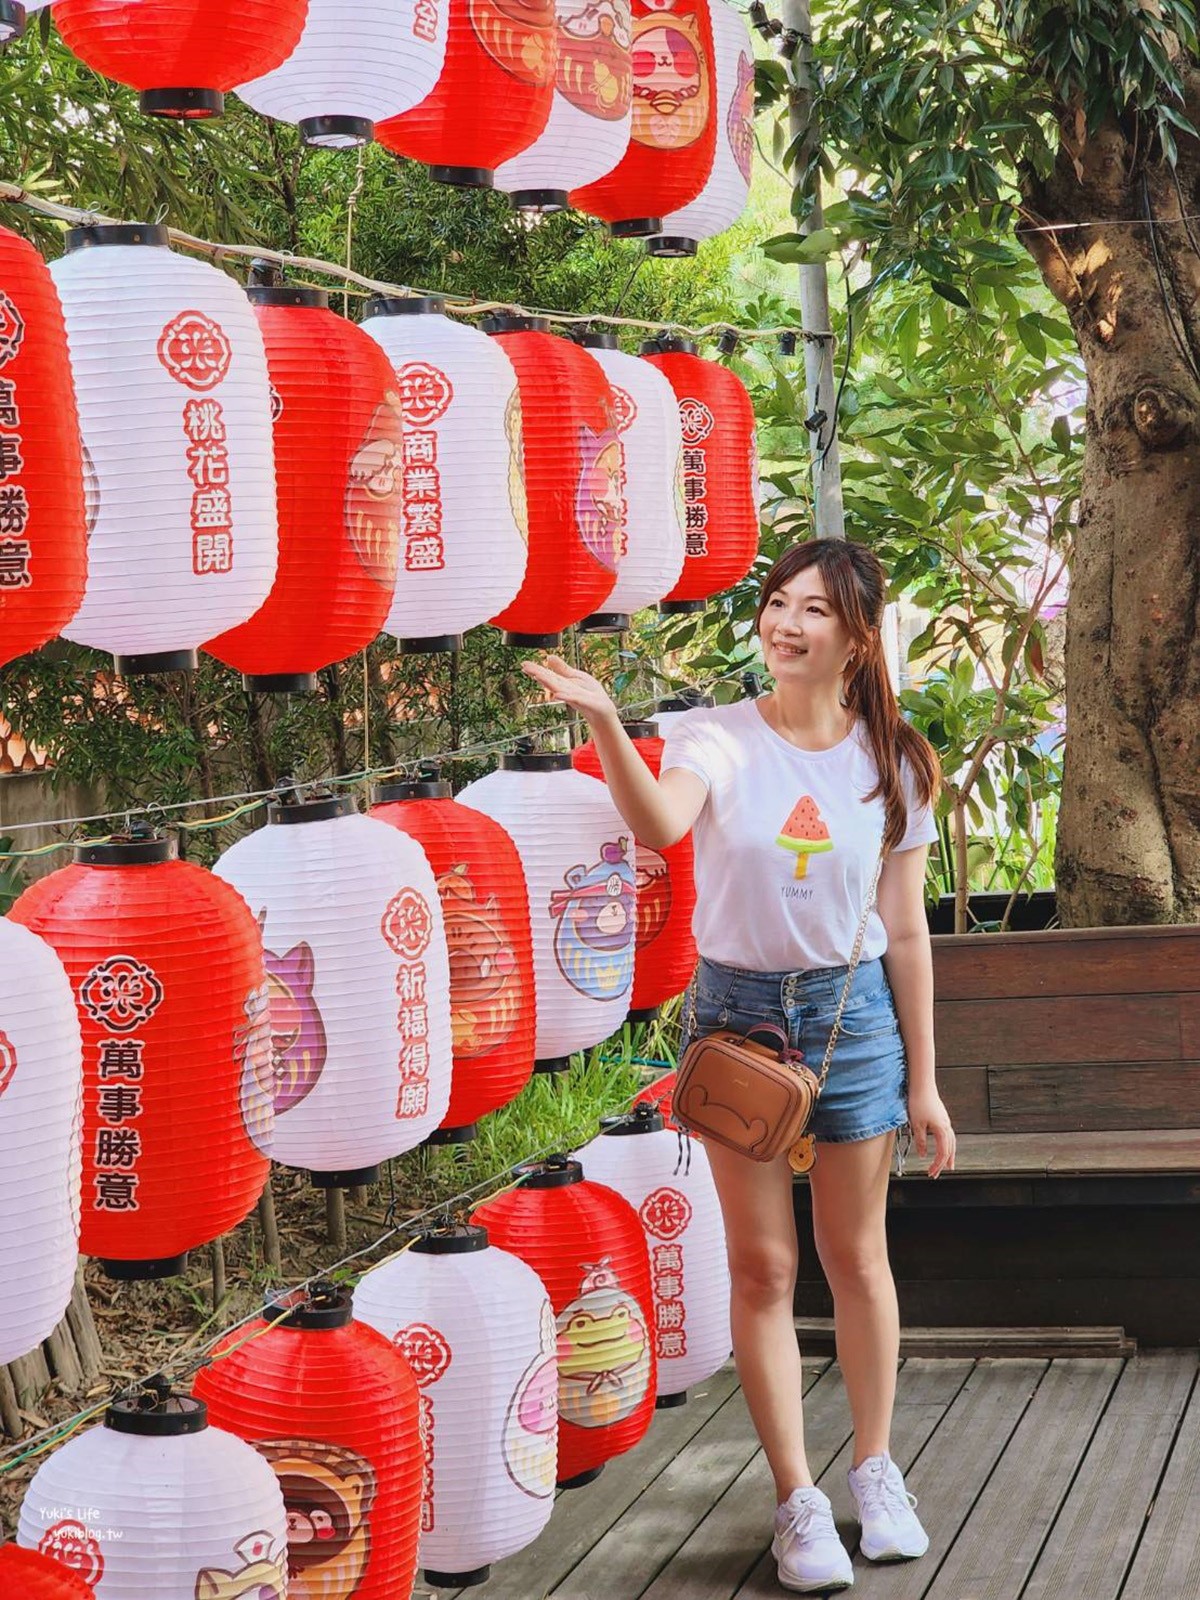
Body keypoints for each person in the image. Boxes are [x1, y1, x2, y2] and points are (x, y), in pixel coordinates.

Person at [523, 539, 957, 1594]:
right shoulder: (713, 737)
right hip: (740, 1022)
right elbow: (660, 820)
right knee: (763, 1268)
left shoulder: (893, 759)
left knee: (856, 1260)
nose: (784, 621)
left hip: (854, 1017)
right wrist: (606, 725)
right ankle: (797, 1499)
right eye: (776, 602)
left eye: (813, 608)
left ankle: (874, 1466)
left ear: (858, 636)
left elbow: (905, 931)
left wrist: (927, 1080)